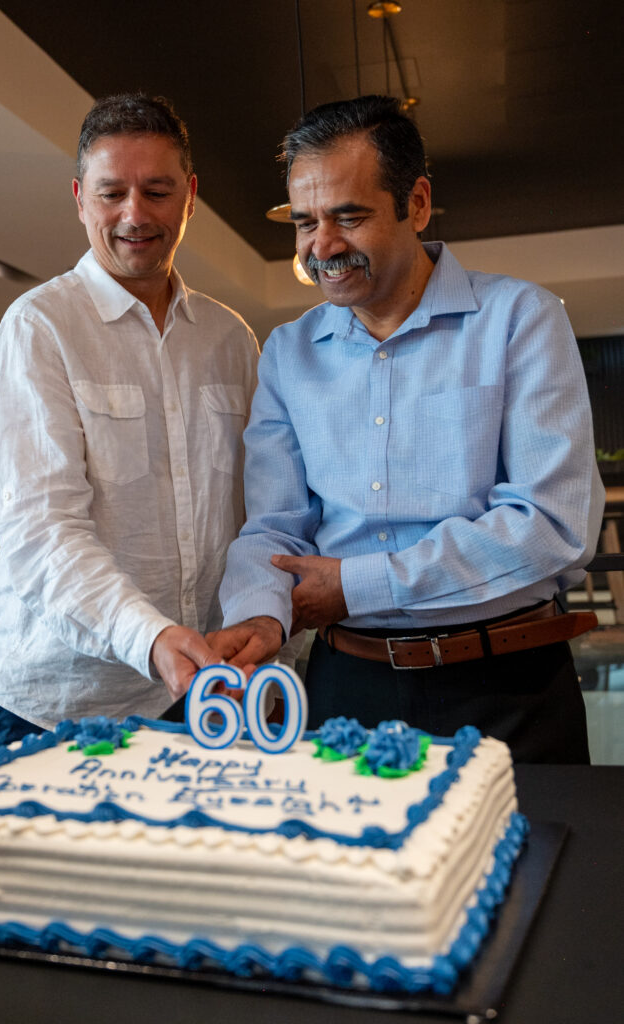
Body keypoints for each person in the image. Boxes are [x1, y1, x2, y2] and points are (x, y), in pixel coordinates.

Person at [209, 95, 604, 763]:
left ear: (416, 204)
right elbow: (273, 529)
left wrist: (357, 584)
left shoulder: (519, 319)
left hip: (506, 690)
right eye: (304, 222)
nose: (320, 246)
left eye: (348, 216)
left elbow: (552, 525)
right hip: (343, 689)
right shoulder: (286, 351)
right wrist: (256, 615)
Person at [0, 93, 258, 748]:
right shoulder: (38, 327)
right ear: (80, 198)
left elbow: (254, 511)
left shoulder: (230, 338)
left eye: (156, 191)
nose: (134, 214)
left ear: (189, 197)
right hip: (64, 704)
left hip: (207, 693)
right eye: (112, 194)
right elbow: (41, 529)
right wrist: (151, 636)